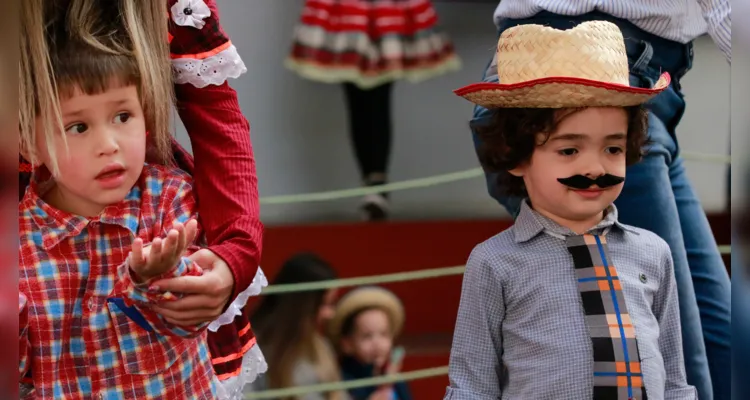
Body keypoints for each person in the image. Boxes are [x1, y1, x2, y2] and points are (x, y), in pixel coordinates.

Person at [470, 2, 731, 399]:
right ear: (520, 158)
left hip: (637, 80)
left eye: (615, 151)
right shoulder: (490, 264)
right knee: (679, 350)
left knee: (719, 339)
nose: (594, 168)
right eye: (569, 153)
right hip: (586, 79)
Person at [18, 0, 266, 397]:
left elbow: (215, 114)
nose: (108, 145)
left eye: (123, 117)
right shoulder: (18, 243)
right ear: (28, 143)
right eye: (79, 126)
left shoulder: (169, 202)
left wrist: (232, 254)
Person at [285, 0, 461, 220]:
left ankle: (376, 184)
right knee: (356, 91)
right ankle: (373, 184)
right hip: (348, 9)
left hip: (384, 9)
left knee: (378, 90)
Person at [249, 253, 346, 400]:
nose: (330, 314)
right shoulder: (252, 348)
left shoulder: (320, 345)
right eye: (325, 304)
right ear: (301, 305)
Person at [329, 286, 412, 400]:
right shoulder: (344, 381)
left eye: (384, 334)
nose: (377, 344)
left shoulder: (396, 379)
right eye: (367, 336)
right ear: (347, 344)